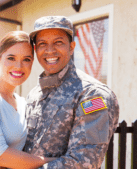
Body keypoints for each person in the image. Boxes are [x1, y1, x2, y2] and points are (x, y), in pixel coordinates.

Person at [19, 16, 119, 168]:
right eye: (42, 44)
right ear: (35, 49)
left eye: (58, 42)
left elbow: (84, 161)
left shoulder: (92, 94)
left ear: (72, 47)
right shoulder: (34, 94)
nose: (50, 50)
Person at [0, 31, 57, 169]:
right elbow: (0, 156)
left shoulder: (23, 103)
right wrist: (53, 161)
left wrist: (10, 160)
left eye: (26, 59)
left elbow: (17, 153)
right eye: (11, 58)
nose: (18, 66)